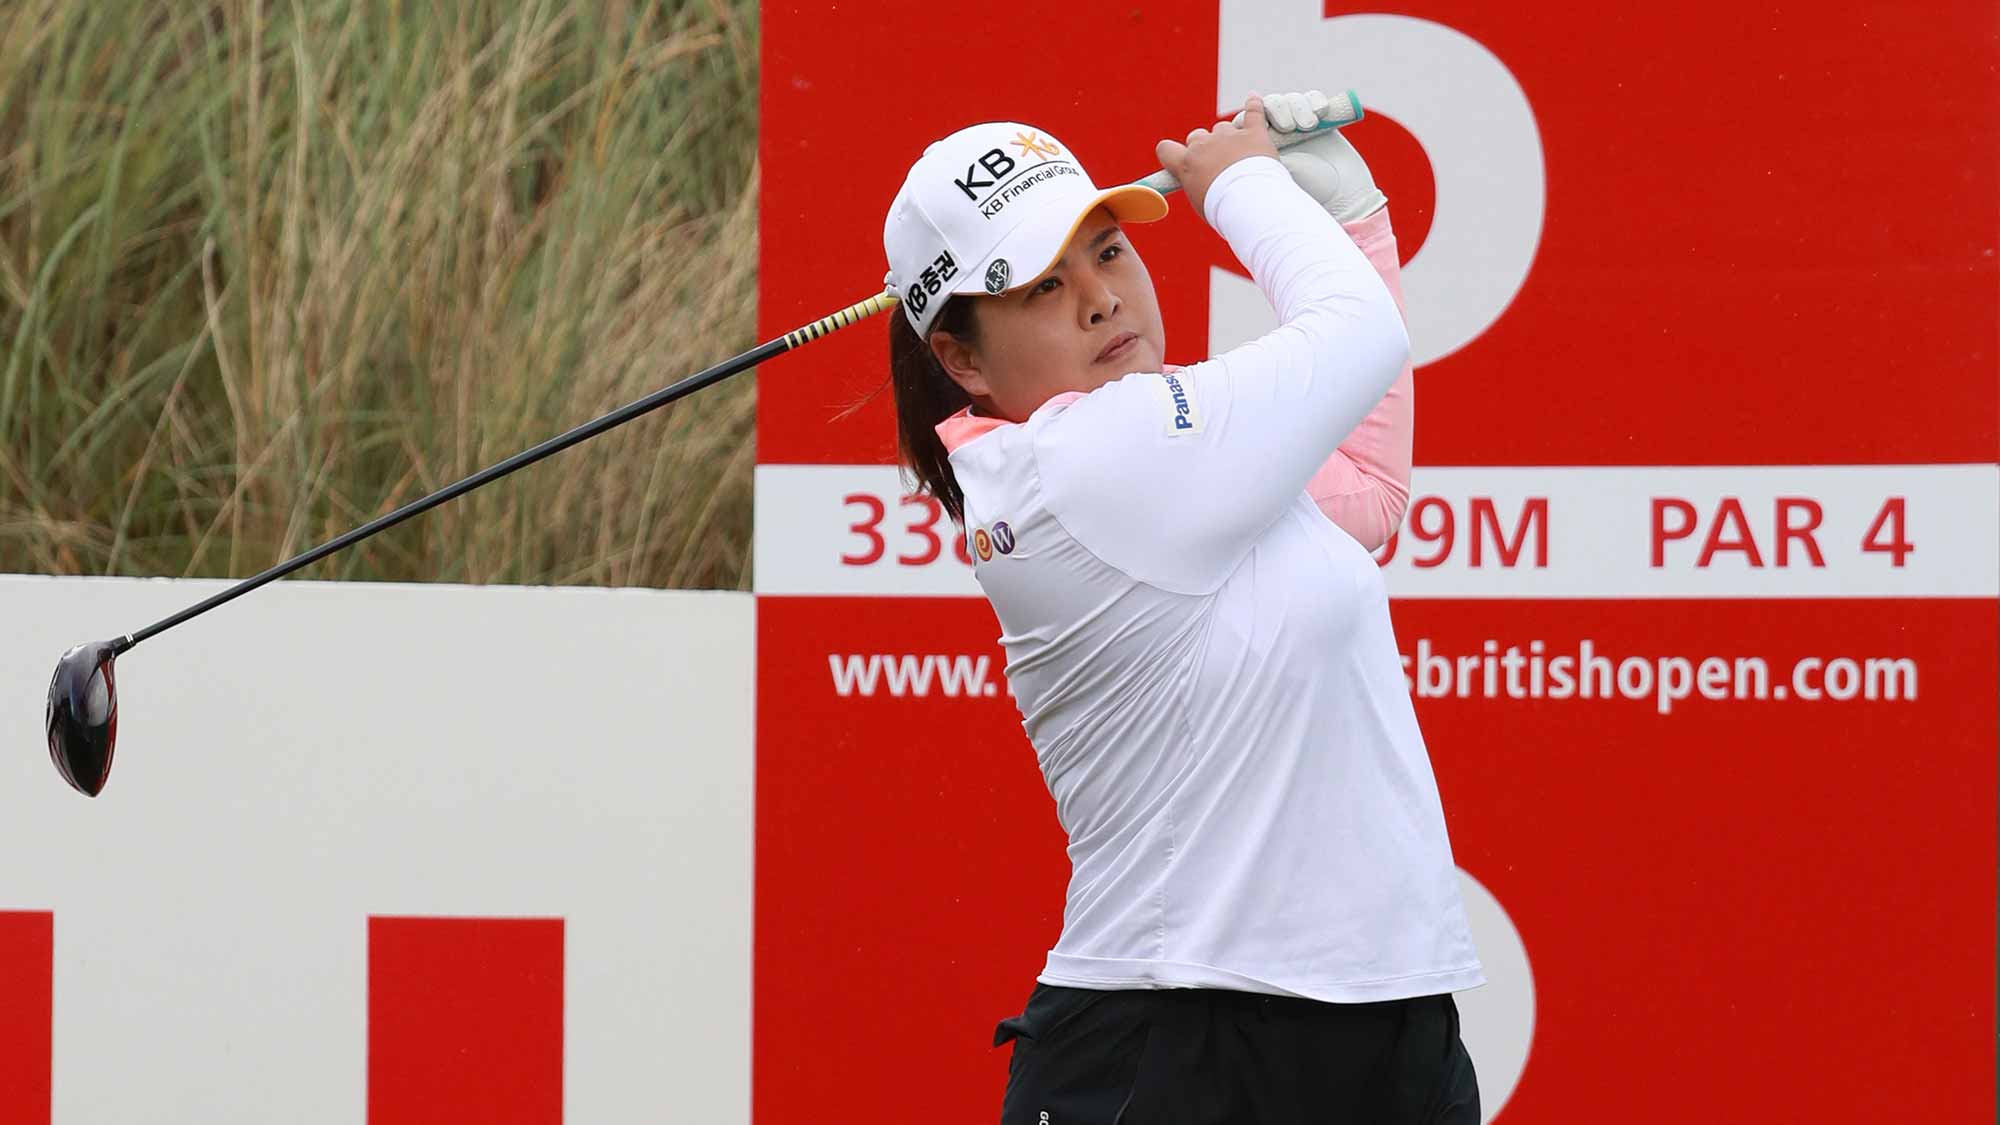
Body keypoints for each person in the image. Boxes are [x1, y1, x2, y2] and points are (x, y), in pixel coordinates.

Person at [880, 92, 1483, 1124]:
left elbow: (1364, 498)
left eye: (1109, 252)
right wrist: (1242, 181)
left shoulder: (1168, 451)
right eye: (1041, 285)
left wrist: (1352, 226)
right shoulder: (1093, 456)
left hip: (1380, 1019)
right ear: (962, 360)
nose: (1100, 299)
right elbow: (1357, 333)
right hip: (1177, 1036)